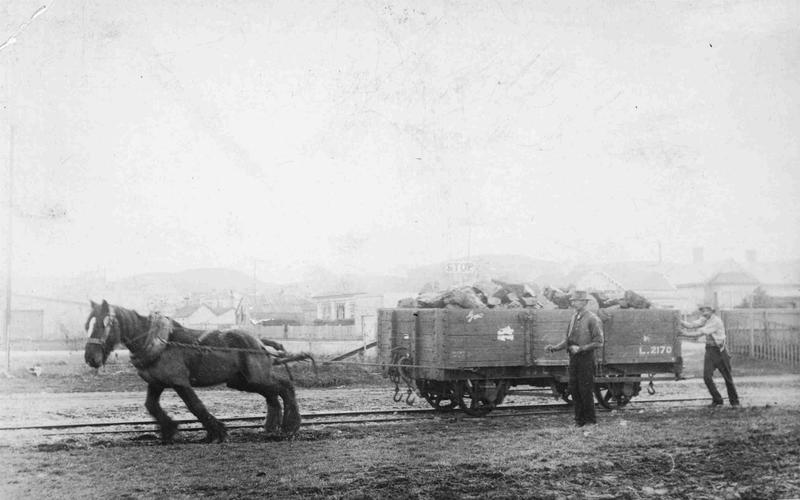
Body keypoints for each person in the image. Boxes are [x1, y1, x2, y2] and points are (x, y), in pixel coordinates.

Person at [546, 290, 604, 427]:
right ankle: (579, 420)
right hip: (574, 359)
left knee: (585, 390)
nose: (573, 303)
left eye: (576, 301)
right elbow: (568, 340)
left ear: (584, 302)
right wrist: (555, 347)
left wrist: (581, 348)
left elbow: (599, 342)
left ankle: (590, 420)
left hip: (586, 359)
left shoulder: (592, 319)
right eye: (572, 301)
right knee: (574, 389)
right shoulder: (573, 318)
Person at [680, 304, 740, 408]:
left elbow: (700, 333)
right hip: (710, 350)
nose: (704, 312)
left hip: (720, 351)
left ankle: (735, 402)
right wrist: (677, 319)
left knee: (727, 377)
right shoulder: (704, 319)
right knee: (707, 377)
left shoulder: (716, 321)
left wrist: (684, 334)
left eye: (706, 310)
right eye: (703, 310)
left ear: (712, 311)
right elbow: (691, 325)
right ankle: (717, 400)